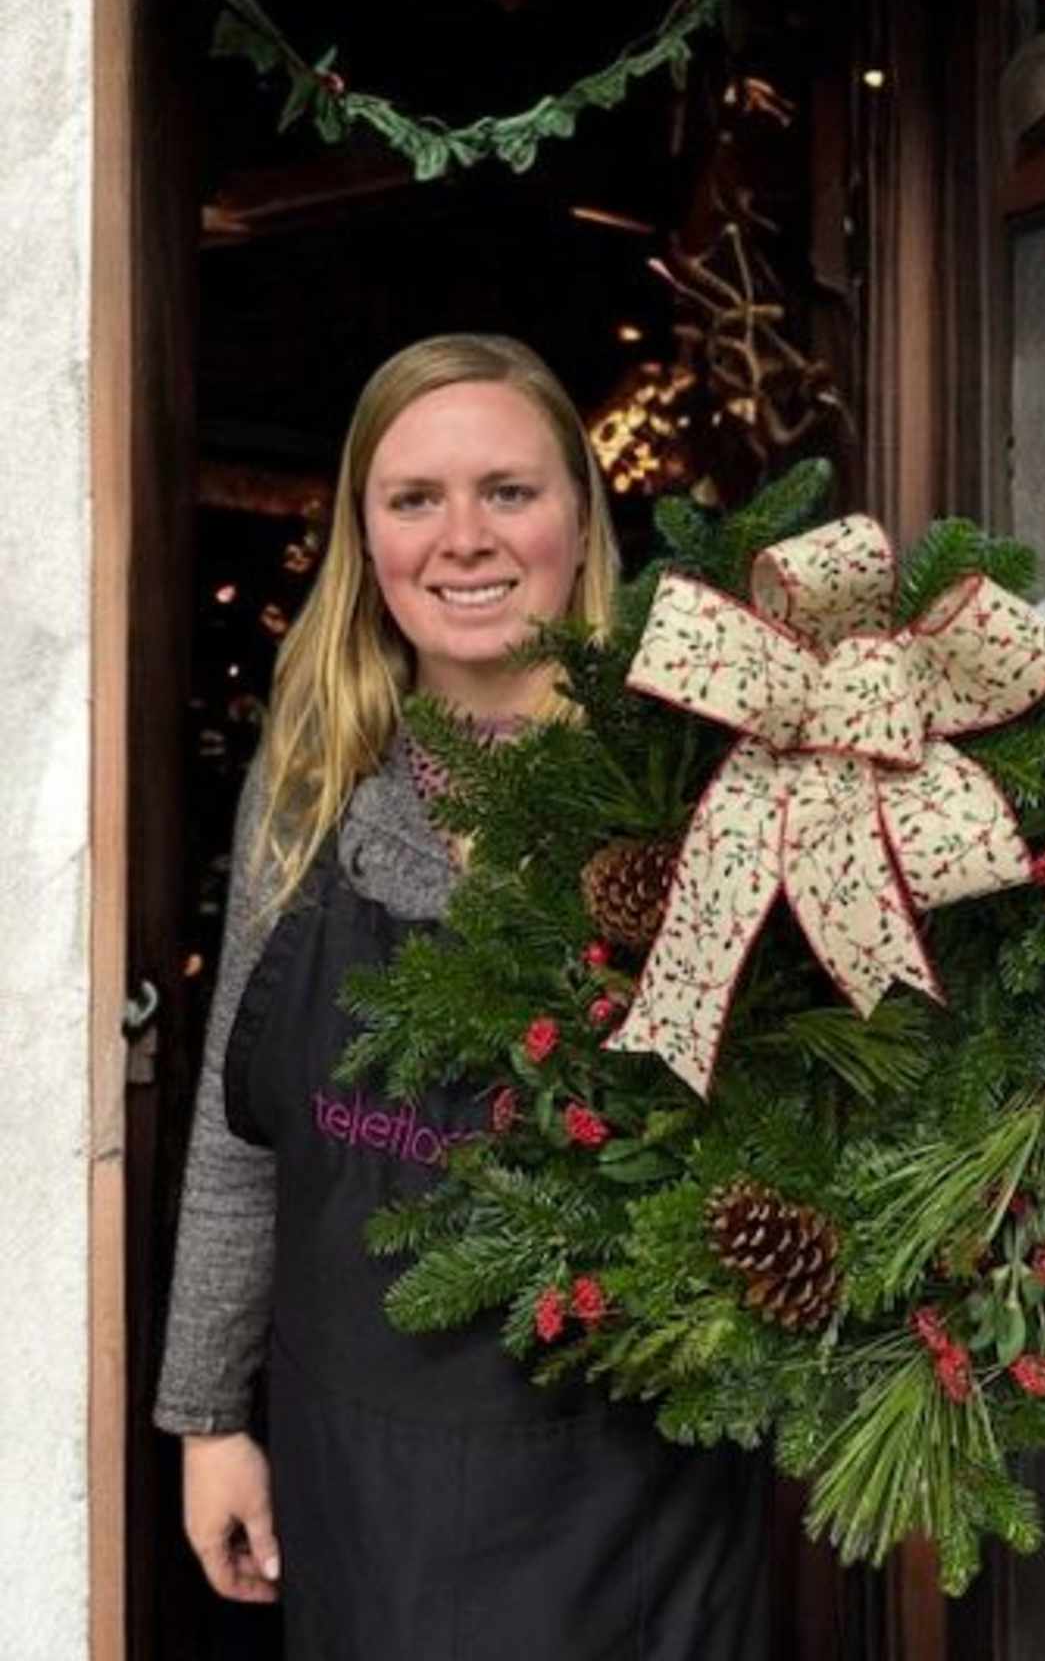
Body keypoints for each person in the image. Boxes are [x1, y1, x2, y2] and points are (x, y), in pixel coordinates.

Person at [155, 334, 770, 1661]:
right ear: (364, 535)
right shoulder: (311, 774)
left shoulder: (681, 778)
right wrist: (209, 1422)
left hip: (634, 1485)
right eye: (413, 498)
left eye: (510, 490)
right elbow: (234, 1129)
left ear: (578, 519)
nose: (463, 538)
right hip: (365, 1475)